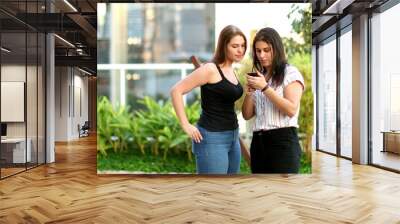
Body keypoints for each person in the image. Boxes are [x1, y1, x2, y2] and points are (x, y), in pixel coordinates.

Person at [170, 25, 247, 174]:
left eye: (243, 46)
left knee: (229, 190)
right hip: (212, 139)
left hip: (233, 137)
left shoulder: (233, 70)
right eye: (235, 46)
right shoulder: (210, 69)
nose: (240, 50)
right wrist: (186, 125)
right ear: (224, 46)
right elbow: (176, 91)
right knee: (212, 192)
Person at [242, 27, 304, 173]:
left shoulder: (290, 73)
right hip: (258, 143)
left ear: (276, 49)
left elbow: (291, 109)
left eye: (266, 50)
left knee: (282, 192)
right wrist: (250, 93)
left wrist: (264, 88)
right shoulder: (260, 76)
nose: (262, 55)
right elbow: (246, 115)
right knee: (261, 193)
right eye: (258, 51)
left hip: (282, 142)